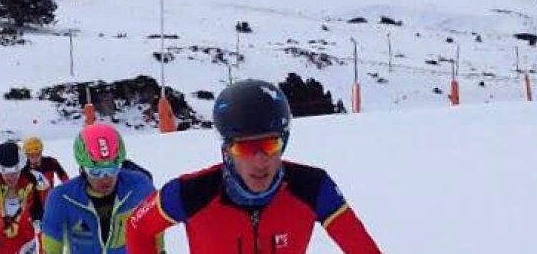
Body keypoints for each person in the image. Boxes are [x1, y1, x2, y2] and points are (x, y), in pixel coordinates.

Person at [126, 79, 382, 254]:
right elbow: (137, 227)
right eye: (246, 148)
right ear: (227, 150)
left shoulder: (313, 187)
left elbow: (362, 248)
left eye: (271, 145)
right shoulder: (190, 192)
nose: (260, 160)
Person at [40, 123, 155, 254]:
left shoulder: (140, 186)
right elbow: (51, 246)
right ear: (82, 168)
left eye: (111, 170)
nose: (105, 179)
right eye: (95, 172)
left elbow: (155, 235)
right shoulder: (61, 198)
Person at [0, 142, 44, 254]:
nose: (12, 178)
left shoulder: (32, 180)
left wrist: (34, 225)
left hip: (26, 245)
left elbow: (41, 217)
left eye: (15, 173)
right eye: (6, 174)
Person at [22, 136, 68, 207]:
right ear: (26, 155)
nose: (35, 158)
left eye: (37, 154)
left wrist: (67, 192)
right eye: (31, 155)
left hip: (49, 202)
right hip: (30, 206)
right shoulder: (23, 168)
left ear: (41, 152)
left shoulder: (51, 162)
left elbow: (65, 179)